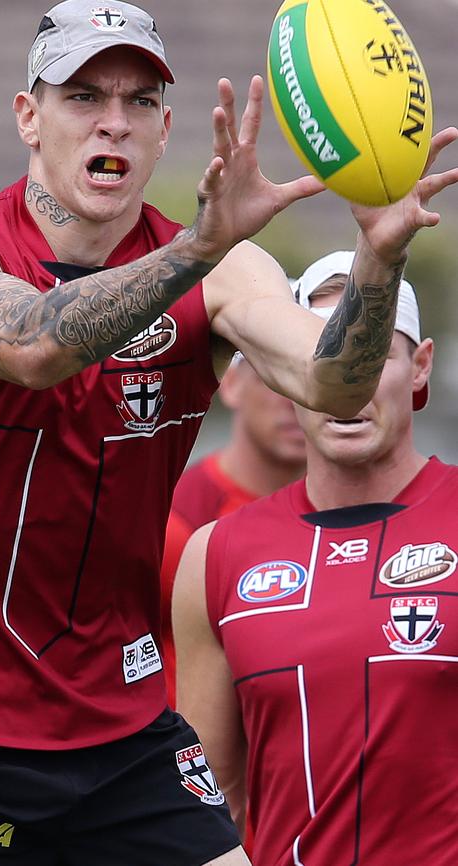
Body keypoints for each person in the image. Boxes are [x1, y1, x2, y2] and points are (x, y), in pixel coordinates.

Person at [0, 0, 458, 859]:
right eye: (84, 96)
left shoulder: (226, 270)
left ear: (167, 130)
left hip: (121, 738)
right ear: (29, 117)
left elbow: (336, 387)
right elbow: (32, 346)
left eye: (138, 103)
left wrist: (379, 261)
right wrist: (194, 250)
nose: (114, 122)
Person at [173, 250, 458, 866]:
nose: (348, 379)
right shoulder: (216, 555)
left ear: (420, 367)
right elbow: (205, 805)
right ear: (287, 375)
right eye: (328, 354)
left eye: (373, 352)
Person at [161, 354, 307, 707]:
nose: (295, 399)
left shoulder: (356, 514)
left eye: (311, 379)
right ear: (231, 383)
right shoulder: (176, 517)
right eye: (274, 376)